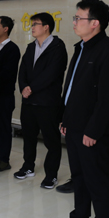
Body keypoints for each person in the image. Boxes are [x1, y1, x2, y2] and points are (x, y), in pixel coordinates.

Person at [51, 0, 109, 218]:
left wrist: (94, 131)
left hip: (93, 133)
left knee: (99, 184)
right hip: (75, 127)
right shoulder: (81, 47)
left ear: (95, 23)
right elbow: (72, 89)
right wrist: (65, 119)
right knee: (80, 177)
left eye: (79, 18)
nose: (74, 22)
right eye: (74, 18)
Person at [16, 13, 68, 189]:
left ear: (46, 27)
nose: (32, 27)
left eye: (35, 24)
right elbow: (22, 70)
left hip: (47, 102)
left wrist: (31, 88)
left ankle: (51, 175)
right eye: (32, 25)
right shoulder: (31, 47)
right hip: (29, 102)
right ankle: (28, 166)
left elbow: (52, 74)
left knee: (51, 141)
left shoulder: (58, 47)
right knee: (28, 137)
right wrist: (23, 86)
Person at [0, 16, 21, 172]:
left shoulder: (12, 49)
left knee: (3, 128)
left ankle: (4, 159)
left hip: (4, 96)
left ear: (5, 29)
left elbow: (7, 74)